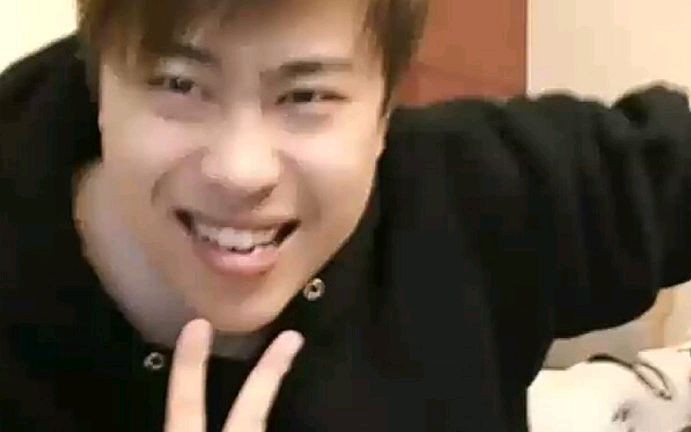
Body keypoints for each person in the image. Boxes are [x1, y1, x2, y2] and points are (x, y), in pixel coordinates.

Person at [1, 0, 689, 431]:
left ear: (383, 111)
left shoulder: (476, 192)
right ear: (101, 85)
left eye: (306, 96)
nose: (241, 172)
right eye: (179, 84)